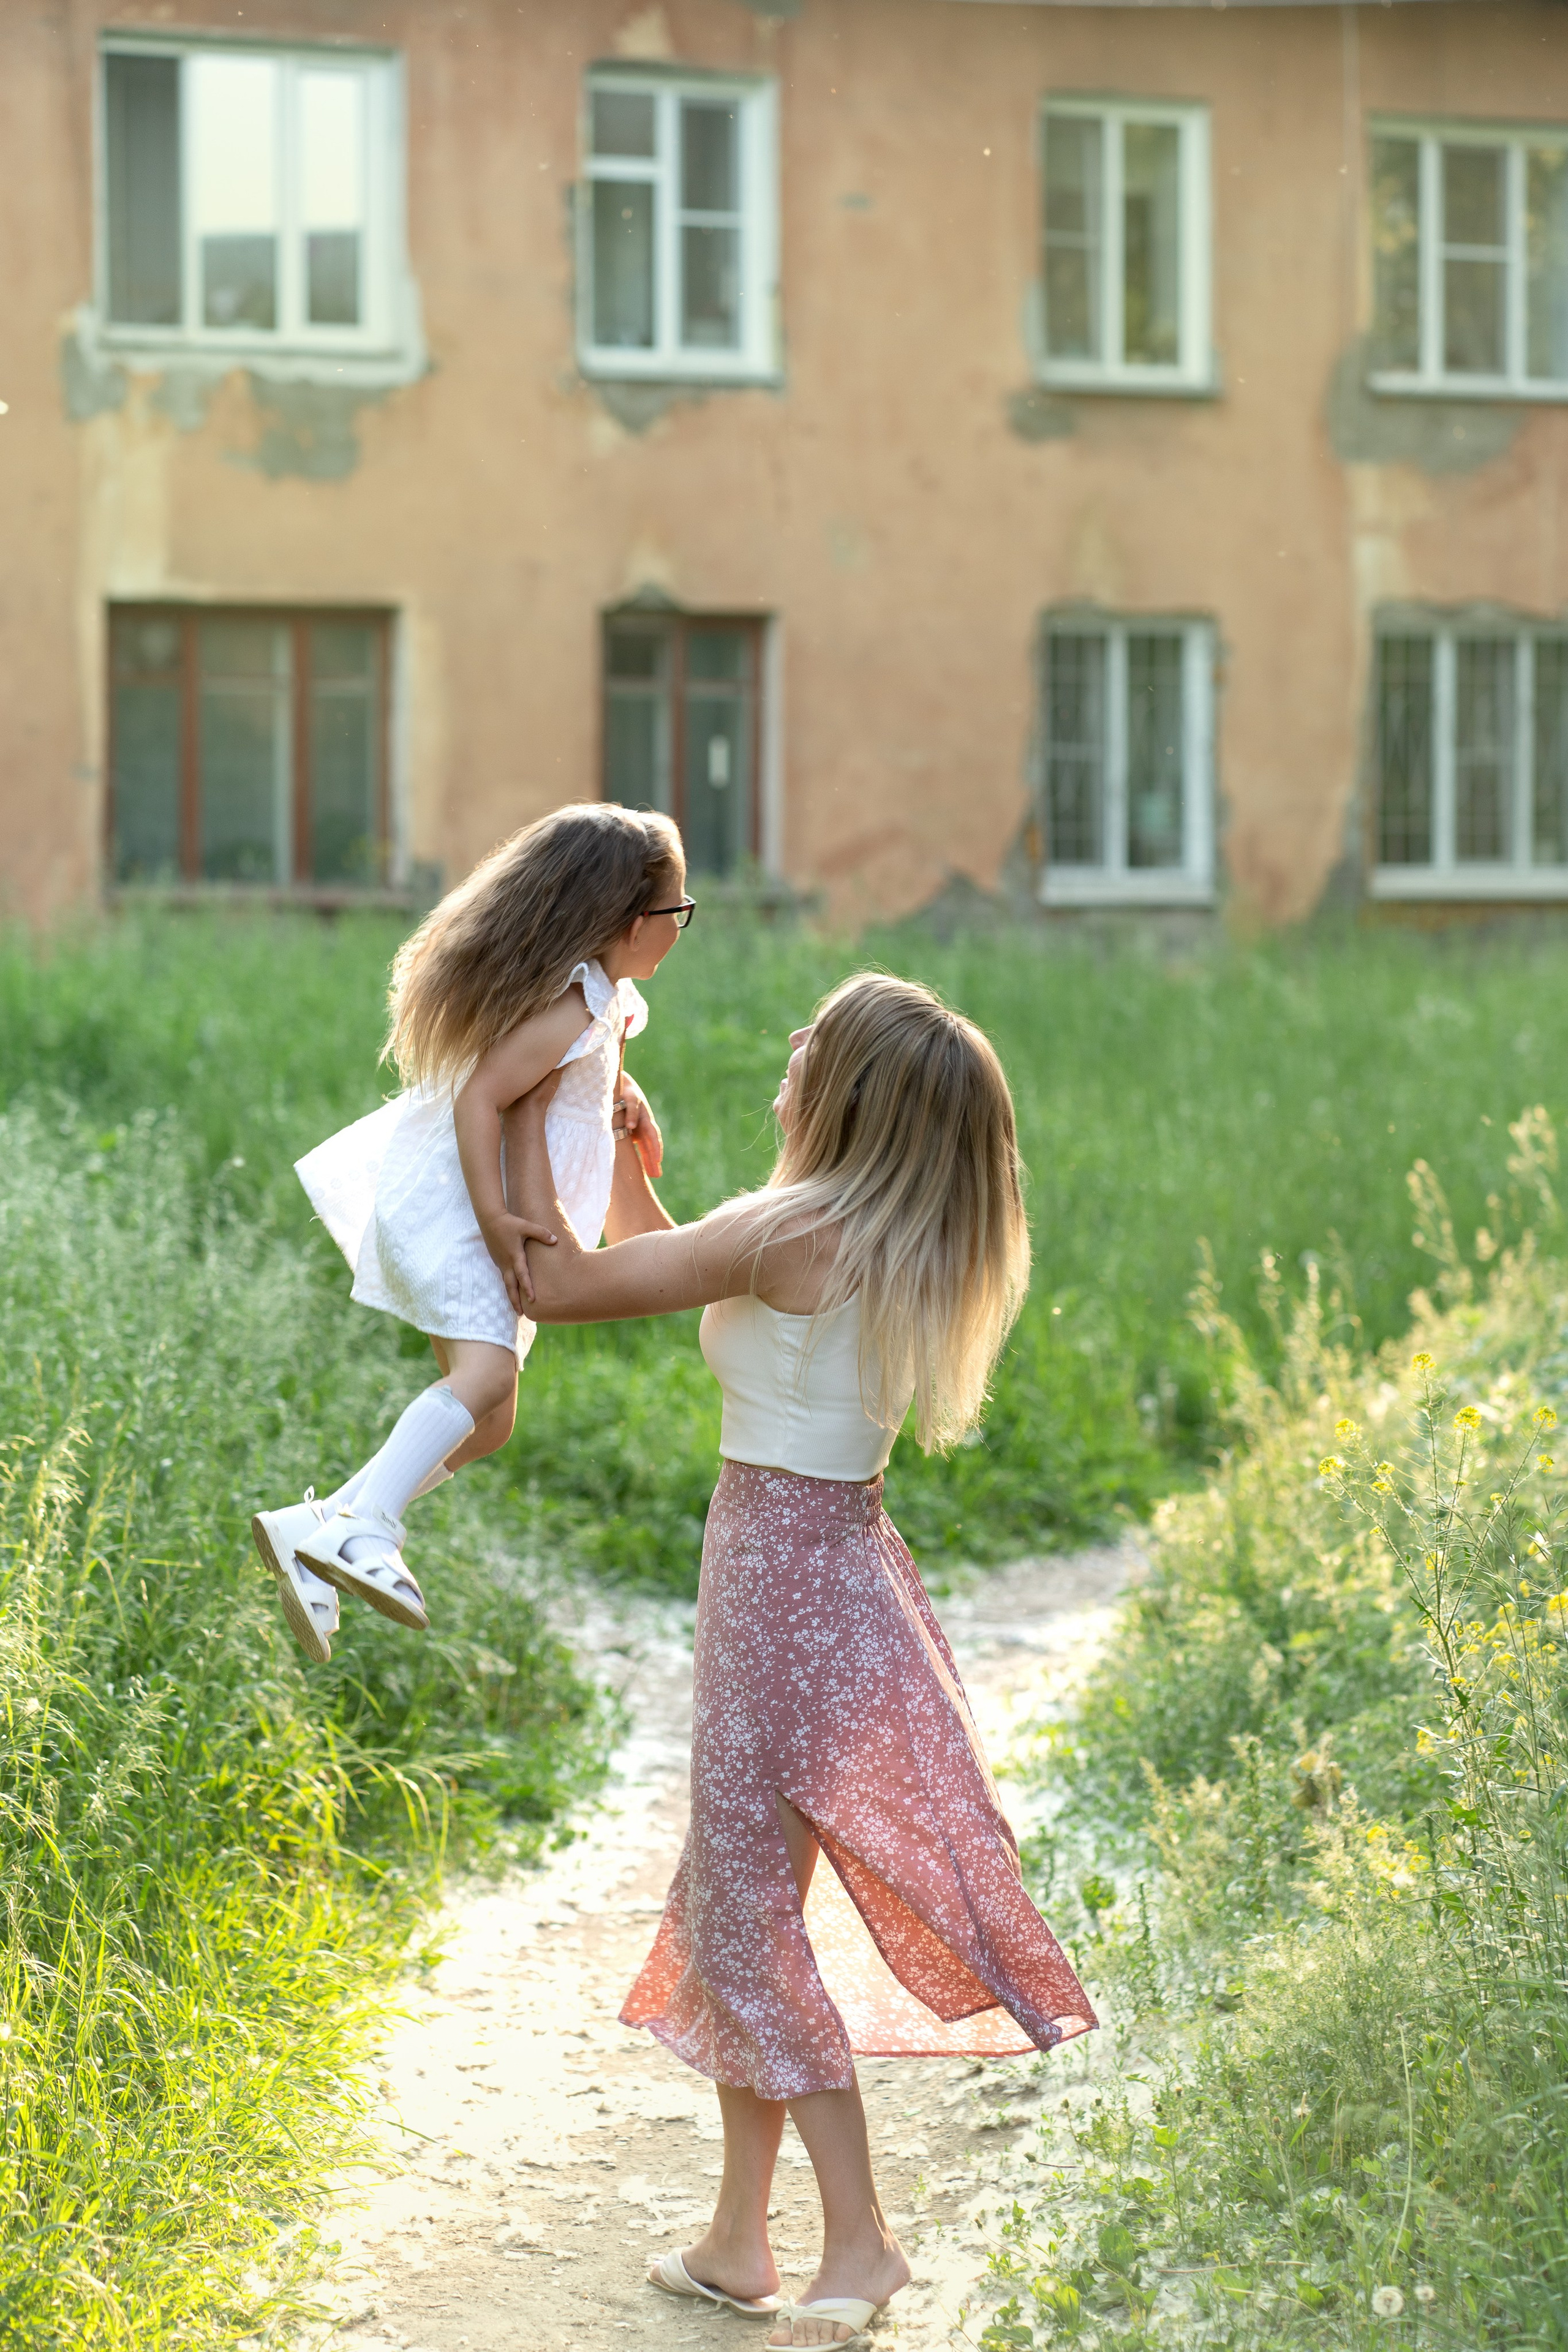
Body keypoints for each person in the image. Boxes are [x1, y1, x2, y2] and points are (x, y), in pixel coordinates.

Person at [504, 973, 1096, 2349]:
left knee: (744, 1926)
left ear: (847, 1095)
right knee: (738, 1906)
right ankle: (732, 2240)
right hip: (821, 1584)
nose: (788, 1049)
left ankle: (858, 2241)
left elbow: (559, 1285)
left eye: (811, 1042)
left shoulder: (793, 1231)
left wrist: (533, 1119)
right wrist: (627, 1167)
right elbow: (686, 1275)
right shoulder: (860, 1235)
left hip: (784, 1601)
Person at [252, 802, 692, 1664]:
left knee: (490, 1424)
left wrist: (622, 1104)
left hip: (499, 1219)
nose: (682, 927)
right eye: (678, 912)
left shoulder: (608, 1000)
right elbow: (481, 1095)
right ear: (634, 925)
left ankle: (316, 1523)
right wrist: (495, 1224)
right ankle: (366, 1527)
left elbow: (573, 1087)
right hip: (467, 1216)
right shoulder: (571, 1002)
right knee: (484, 1378)